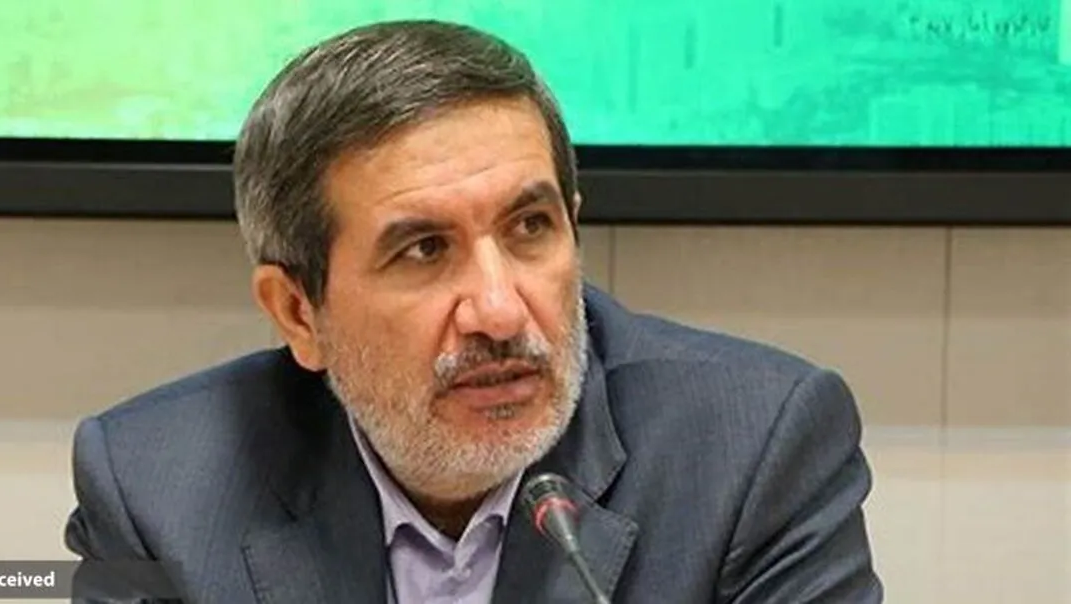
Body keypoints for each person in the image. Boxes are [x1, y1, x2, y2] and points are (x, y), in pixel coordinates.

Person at [64, 19, 883, 603]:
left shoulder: (755, 450)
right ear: (298, 313)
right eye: (424, 249)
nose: (499, 310)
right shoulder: (157, 487)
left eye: (530, 229)